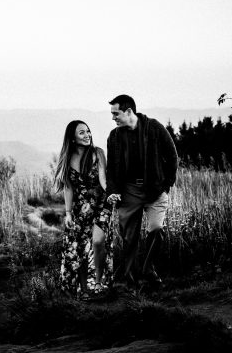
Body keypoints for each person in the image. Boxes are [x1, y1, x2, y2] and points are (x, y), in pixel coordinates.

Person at [106, 95, 178, 289]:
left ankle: (148, 270)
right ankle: (130, 282)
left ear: (129, 111)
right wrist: (112, 191)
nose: (113, 118)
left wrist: (166, 184)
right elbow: (111, 169)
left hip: (155, 190)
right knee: (129, 238)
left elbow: (172, 157)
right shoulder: (114, 136)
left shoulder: (154, 127)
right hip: (128, 191)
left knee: (155, 228)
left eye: (116, 113)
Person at [54, 120, 113, 298]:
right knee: (78, 248)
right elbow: (68, 187)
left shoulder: (98, 153)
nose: (87, 135)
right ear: (72, 138)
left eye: (88, 131)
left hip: (102, 204)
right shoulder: (67, 157)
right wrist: (68, 213)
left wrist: (112, 194)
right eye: (82, 132)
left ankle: (98, 282)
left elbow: (103, 179)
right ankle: (84, 290)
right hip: (80, 208)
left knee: (97, 241)